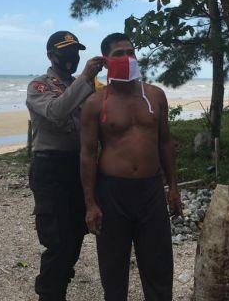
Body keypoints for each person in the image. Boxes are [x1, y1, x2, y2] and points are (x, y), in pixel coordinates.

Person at [80, 32, 182, 301]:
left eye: (131, 52)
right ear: (106, 60)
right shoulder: (95, 103)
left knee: (158, 263)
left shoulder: (155, 96)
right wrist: (90, 203)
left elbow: (165, 143)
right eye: (119, 54)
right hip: (112, 191)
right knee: (113, 265)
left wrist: (173, 187)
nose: (127, 58)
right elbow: (88, 154)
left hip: (151, 189)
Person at [26, 30, 104, 301]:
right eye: (65, 52)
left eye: (75, 52)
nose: (71, 57)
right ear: (51, 55)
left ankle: (59, 282)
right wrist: (84, 78)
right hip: (50, 167)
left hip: (79, 165)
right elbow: (56, 112)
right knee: (57, 239)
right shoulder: (39, 85)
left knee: (77, 233)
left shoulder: (87, 86)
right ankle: (49, 293)